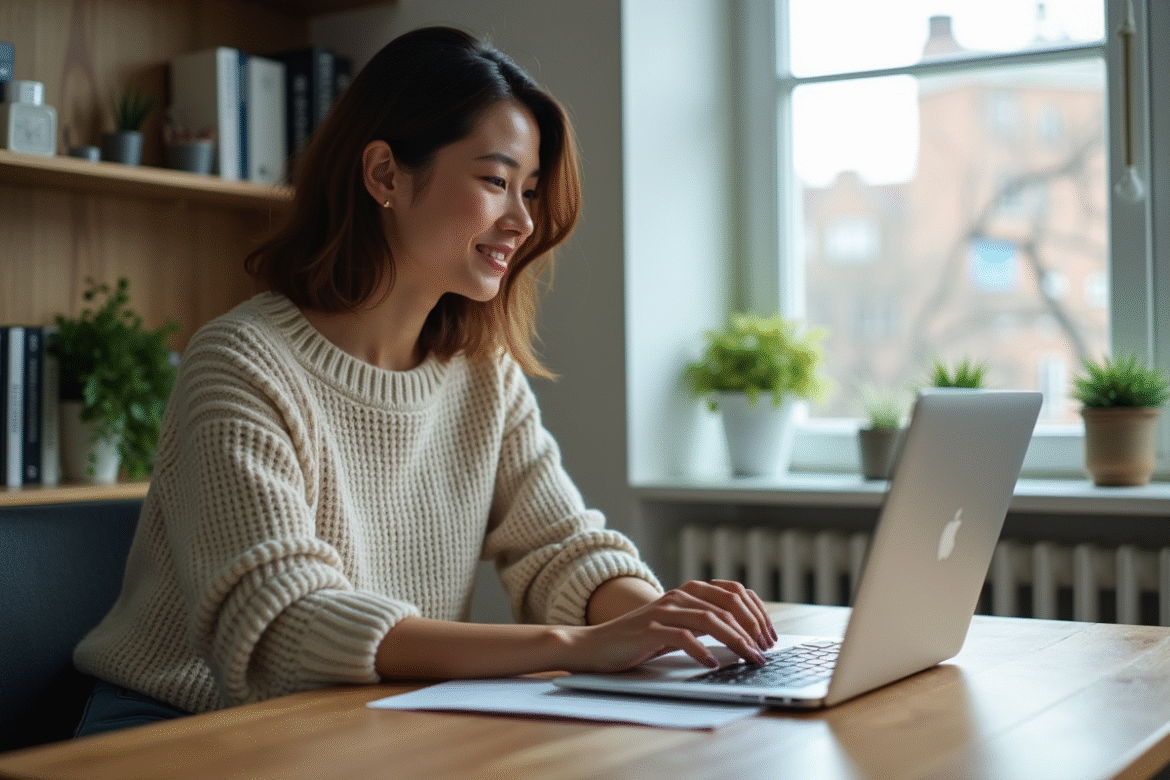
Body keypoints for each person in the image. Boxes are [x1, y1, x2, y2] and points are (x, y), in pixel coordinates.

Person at [72, 26, 776, 737]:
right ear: (384, 175)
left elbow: (559, 547)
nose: (523, 221)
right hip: (176, 726)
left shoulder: (481, 374)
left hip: (357, 721)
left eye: (529, 191)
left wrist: (661, 623)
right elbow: (285, 625)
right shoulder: (240, 362)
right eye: (496, 182)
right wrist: (577, 647)